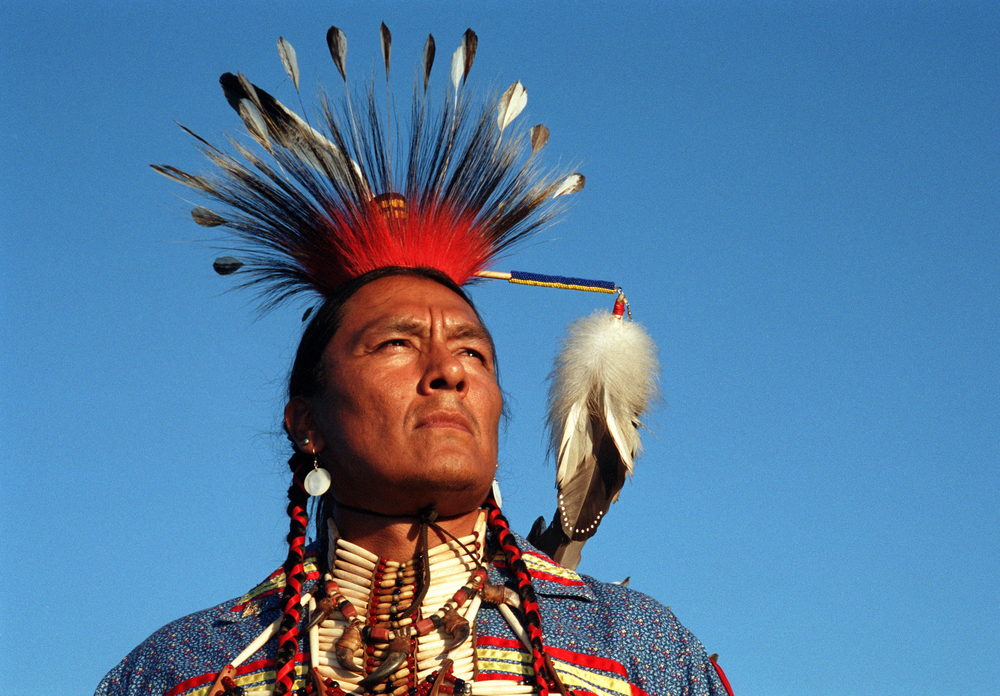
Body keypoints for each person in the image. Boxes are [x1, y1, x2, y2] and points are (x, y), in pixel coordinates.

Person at [97, 25, 734, 696]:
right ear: (305, 422)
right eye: (396, 344)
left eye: (473, 353)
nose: (449, 372)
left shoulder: (636, 651)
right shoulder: (183, 668)